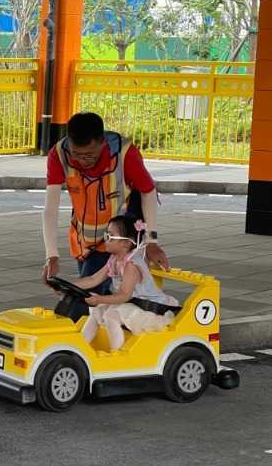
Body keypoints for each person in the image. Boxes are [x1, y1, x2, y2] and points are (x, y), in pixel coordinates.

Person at [42, 112, 170, 301]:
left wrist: (152, 242)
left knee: (85, 299)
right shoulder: (59, 154)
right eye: (77, 154)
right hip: (85, 241)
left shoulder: (125, 153)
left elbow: (148, 192)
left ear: (103, 143)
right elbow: (50, 208)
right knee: (93, 288)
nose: (82, 161)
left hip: (117, 236)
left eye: (89, 155)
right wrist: (51, 255)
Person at [75, 216, 179, 352]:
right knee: (96, 311)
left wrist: (99, 299)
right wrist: (69, 285)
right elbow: (93, 279)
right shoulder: (114, 259)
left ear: (125, 244)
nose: (105, 239)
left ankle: (117, 353)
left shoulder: (131, 265)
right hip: (131, 302)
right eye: (106, 235)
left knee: (110, 316)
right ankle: (80, 348)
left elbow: (124, 295)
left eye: (109, 236)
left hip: (148, 307)